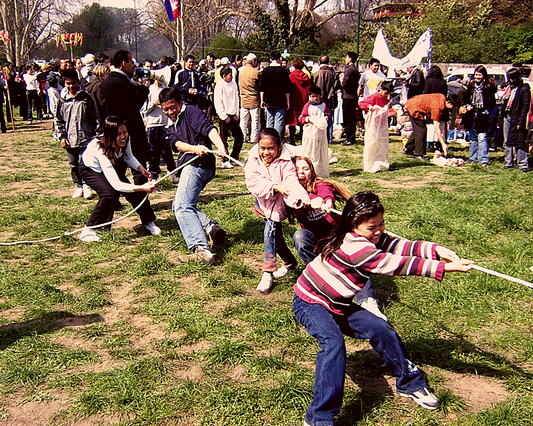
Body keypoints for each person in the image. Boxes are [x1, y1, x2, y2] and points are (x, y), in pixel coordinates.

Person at [293, 191, 474, 426]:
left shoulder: (371, 238)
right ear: (353, 226)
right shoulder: (356, 247)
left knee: (381, 328)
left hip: (337, 303)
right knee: (333, 342)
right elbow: (395, 264)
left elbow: (396, 244)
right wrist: (444, 268)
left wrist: (434, 249)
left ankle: (410, 384)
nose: (378, 231)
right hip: (310, 301)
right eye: (372, 227)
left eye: (381, 224)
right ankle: (318, 418)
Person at [159, 87, 228, 264]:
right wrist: (194, 149)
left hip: (197, 166)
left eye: (172, 107)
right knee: (178, 205)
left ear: (180, 103)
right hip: (193, 165)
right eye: (165, 109)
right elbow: (178, 144)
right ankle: (211, 227)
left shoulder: (191, 111)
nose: (170, 112)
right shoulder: (168, 125)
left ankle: (201, 250)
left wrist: (220, 146)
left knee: (183, 206)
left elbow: (208, 129)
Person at [244, 128, 310, 294]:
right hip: (263, 202)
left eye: (271, 148)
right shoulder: (253, 160)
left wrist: (301, 195)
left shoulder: (285, 162)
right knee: (275, 236)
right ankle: (289, 262)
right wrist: (273, 187)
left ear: (279, 147)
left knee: (270, 232)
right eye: (263, 148)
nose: (266, 152)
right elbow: (252, 183)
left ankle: (268, 270)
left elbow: (291, 181)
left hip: (277, 206)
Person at [78, 116, 159, 242]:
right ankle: (88, 229)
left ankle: (149, 221)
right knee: (109, 194)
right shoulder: (100, 148)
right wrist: (142, 187)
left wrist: (140, 168)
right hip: (91, 169)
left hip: (110, 165)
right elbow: (116, 185)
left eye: (125, 132)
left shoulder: (126, 140)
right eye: (118, 134)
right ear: (109, 135)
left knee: (135, 194)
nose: (123, 137)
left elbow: (129, 156)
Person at [103, 49, 150, 185]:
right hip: (130, 130)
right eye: (130, 62)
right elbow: (133, 105)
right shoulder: (121, 82)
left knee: (118, 167)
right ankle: (142, 198)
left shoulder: (109, 81)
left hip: (114, 130)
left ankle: (115, 198)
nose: (133, 66)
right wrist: (143, 88)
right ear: (123, 63)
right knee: (138, 166)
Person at [55, 68, 98, 199]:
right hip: (70, 139)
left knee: (83, 163)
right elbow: (58, 120)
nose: (71, 86)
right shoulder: (62, 100)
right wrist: (61, 136)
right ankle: (78, 186)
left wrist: (96, 135)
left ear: (77, 82)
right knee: (73, 165)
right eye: (68, 83)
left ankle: (87, 185)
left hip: (86, 137)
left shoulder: (86, 98)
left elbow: (95, 117)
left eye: (73, 83)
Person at [141, 74, 178, 182]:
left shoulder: (165, 91)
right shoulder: (149, 90)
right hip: (153, 124)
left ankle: (172, 172)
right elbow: (144, 110)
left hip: (164, 124)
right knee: (153, 152)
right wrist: (153, 104)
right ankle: (154, 175)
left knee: (167, 150)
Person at [403, 93, 460, 159]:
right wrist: (443, 144)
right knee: (421, 131)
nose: (453, 109)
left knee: (418, 129)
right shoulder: (438, 108)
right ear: (449, 102)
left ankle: (408, 149)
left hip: (413, 102)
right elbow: (436, 128)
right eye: (453, 107)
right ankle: (419, 154)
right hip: (414, 107)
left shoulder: (442, 97)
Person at [462, 66, 497, 167]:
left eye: (479, 75)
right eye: (476, 74)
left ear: (483, 76)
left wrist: (487, 111)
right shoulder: (471, 85)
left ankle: (483, 159)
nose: (477, 77)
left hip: (483, 114)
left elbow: (492, 102)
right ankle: (473, 158)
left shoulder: (488, 87)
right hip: (472, 113)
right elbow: (466, 99)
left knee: (482, 137)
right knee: (473, 137)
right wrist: (467, 105)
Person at [499, 68, 532, 172]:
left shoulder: (524, 88)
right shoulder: (509, 88)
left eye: (511, 79)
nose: (510, 81)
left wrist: (520, 121)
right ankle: (508, 162)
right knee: (507, 140)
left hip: (517, 117)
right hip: (507, 115)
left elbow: (525, 106)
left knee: (519, 140)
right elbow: (504, 103)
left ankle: (523, 164)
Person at [359, 81, 393, 172]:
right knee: (372, 142)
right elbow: (361, 103)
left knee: (381, 143)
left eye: (388, 94)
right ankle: (370, 163)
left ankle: (380, 161)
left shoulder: (386, 98)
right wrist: (370, 107)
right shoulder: (375, 96)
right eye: (386, 93)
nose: (386, 96)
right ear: (381, 89)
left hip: (381, 125)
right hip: (373, 124)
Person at [213, 66, 244, 168]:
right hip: (224, 116)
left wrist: (236, 114)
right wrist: (223, 116)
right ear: (224, 76)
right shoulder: (219, 85)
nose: (231, 77)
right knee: (223, 139)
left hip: (233, 115)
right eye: (229, 75)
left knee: (239, 136)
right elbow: (218, 101)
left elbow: (236, 99)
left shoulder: (234, 84)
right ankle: (225, 160)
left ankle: (234, 157)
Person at [299, 86, 330, 177]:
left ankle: (320, 169)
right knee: (310, 149)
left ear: (320, 95)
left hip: (320, 131)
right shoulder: (308, 106)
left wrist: (325, 118)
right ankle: (309, 168)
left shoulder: (323, 104)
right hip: (310, 131)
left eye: (316, 96)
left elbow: (327, 113)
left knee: (320, 149)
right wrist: (309, 119)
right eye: (313, 97)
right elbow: (301, 118)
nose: (315, 98)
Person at [259, 51, 292, 138]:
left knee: (269, 120)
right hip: (280, 99)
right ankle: (276, 139)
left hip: (268, 99)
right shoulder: (283, 71)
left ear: (270, 59)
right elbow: (287, 88)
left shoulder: (265, 71)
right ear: (279, 59)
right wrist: (288, 101)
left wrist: (262, 100)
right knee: (279, 121)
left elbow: (262, 87)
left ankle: (268, 138)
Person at [313, 55, 338, 144]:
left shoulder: (315, 74)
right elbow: (336, 86)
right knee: (329, 118)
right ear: (328, 62)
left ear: (319, 62)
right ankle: (329, 138)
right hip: (330, 99)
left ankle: (319, 138)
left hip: (319, 99)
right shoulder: (333, 73)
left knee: (318, 119)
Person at [286, 58, 311, 145]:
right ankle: (302, 138)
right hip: (303, 100)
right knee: (302, 118)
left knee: (292, 119)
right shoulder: (306, 77)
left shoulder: (291, 76)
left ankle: (292, 139)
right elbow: (309, 88)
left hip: (293, 99)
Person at [423, 65, 448, 153]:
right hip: (441, 104)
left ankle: (430, 144)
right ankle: (439, 143)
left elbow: (425, 94)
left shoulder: (428, 82)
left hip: (431, 104)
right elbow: (445, 93)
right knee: (440, 125)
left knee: (430, 125)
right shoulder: (443, 82)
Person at [239, 53, 261, 145]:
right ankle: (254, 138)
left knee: (243, 121)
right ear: (253, 62)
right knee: (255, 121)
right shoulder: (256, 72)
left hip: (243, 98)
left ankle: (242, 136)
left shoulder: (241, 71)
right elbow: (259, 86)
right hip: (253, 99)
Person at [340, 52, 360, 146]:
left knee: (348, 119)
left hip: (348, 96)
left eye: (346, 57)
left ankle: (349, 138)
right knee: (352, 118)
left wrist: (341, 79)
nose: (345, 59)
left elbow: (344, 83)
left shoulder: (349, 70)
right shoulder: (355, 70)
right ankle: (352, 137)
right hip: (354, 96)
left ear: (350, 59)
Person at [85, 63, 110, 134]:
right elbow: (102, 103)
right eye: (107, 74)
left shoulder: (92, 82)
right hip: (99, 116)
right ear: (101, 74)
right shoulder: (99, 85)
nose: (108, 76)